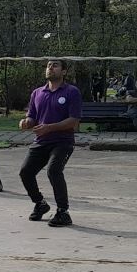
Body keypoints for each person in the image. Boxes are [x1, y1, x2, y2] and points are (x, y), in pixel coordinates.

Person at [18, 59, 83, 227]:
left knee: (54, 170)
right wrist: (26, 122)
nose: (50, 68)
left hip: (62, 142)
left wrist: (49, 128)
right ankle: (40, 203)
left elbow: (74, 121)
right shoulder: (37, 93)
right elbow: (32, 117)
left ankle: (63, 212)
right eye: (48, 65)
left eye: (55, 65)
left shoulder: (71, 92)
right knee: (25, 172)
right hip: (41, 141)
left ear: (64, 71)